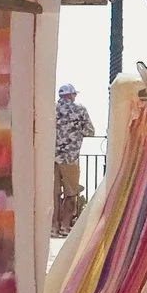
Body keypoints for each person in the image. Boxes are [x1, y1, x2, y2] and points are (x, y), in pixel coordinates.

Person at [53, 82, 97, 238]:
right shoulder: (79, 109)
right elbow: (90, 131)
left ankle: (53, 227)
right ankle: (65, 227)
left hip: (51, 157)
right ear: (71, 95)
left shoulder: (51, 109)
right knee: (71, 193)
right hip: (70, 157)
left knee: (54, 194)